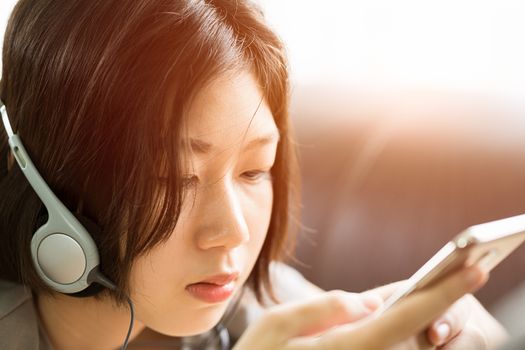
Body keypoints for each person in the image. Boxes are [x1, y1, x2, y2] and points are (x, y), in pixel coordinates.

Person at [0, 0, 508, 349]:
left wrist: (465, 331)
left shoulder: (250, 304)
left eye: (253, 171)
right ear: (41, 171)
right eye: (172, 179)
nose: (234, 232)